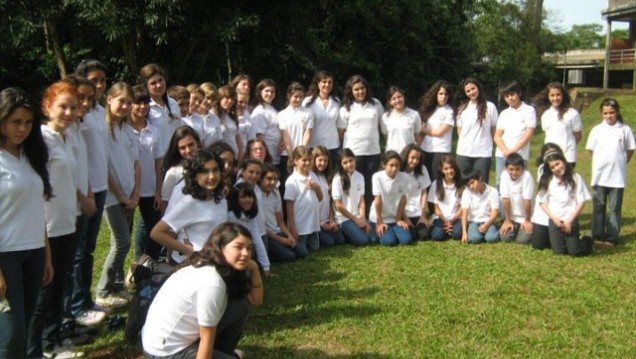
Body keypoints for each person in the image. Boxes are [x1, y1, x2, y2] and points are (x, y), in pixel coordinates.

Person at [143, 223, 263, 359]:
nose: (246, 253)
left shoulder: (211, 265)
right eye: (238, 247)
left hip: (164, 340)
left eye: (249, 248)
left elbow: (255, 300)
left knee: (240, 305)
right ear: (221, 248)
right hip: (164, 352)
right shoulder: (212, 283)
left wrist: (254, 268)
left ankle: (223, 353)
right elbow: (207, 337)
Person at [27, 81, 82, 358]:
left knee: (60, 284)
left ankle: (54, 340)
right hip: (47, 228)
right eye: (62, 106)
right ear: (47, 107)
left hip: (67, 223)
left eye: (73, 107)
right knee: (44, 291)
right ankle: (37, 349)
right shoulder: (40, 139)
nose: (68, 112)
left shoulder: (67, 137)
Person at [0, 87, 54, 359]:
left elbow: (37, 208)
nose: (22, 128)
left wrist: (45, 254)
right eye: (16, 122)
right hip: (6, 256)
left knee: (27, 326)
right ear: (2, 122)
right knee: (11, 336)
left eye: (28, 122)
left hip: (34, 251)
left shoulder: (31, 157)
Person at [71, 59, 111, 323]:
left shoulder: (98, 111)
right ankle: (76, 305)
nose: (99, 85)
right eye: (94, 80)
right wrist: (83, 194)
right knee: (78, 252)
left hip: (100, 186)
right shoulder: (76, 116)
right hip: (82, 191)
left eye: (102, 81)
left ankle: (86, 300)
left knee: (88, 249)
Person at [95, 82, 140, 308]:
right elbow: (103, 169)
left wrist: (135, 195)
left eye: (129, 102)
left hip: (129, 198)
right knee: (122, 242)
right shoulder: (102, 130)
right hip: (112, 198)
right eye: (121, 101)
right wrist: (122, 196)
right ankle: (103, 291)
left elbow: (136, 165)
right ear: (109, 100)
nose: (125, 106)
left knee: (120, 241)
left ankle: (117, 286)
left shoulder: (127, 130)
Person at [151, 149, 227, 265]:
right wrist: (191, 250)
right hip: (197, 265)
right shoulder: (190, 202)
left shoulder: (220, 197)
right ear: (195, 175)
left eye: (215, 170)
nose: (211, 176)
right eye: (205, 171)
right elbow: (157, 233)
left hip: (218, 262)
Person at [586, 98, 635, 246]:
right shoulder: (597, 130)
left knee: (614, 208)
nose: (609, 116)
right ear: (601, 114)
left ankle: (612, 236)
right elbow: (590, 149)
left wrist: (621, 162)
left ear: (617, 112)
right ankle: (597, 235)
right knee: (599, 206)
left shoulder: (624, 130)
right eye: (605, 113)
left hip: (617, 177)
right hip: (600, 176)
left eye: (611, 112)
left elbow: (630, 149)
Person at [337, 75, 384, 212]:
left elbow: (383, 126)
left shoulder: (376, 104)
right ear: (351, 91)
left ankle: (369, 215)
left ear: (366, 88)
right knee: (354, 185)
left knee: (370, 185)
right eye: (356, 89)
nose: (360, 92)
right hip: (353, 153)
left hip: (373, 151)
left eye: (362, 88)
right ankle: (353, 213)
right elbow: (340, 132)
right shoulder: (346, 108)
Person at [128, 85, 163, 259]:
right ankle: (134, 264)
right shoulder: (123, 130)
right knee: (122, 237)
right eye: (137, 103)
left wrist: (158, 190)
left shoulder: (154, 130)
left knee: (154, 230)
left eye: (145, 103)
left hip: (149, 187)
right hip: (128, 189)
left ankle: (147, 264)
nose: (142, 106)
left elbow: (158, 162)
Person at [537, 151, 593, 256]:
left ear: (563, 161)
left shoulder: (575, 178)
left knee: (575, 252)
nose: (556, 168)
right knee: (559, 252)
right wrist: (554, 218)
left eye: (557, 164)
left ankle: (587, 239)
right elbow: (542, 202)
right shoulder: (549, 181)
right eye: (552, 167)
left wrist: (570, 220)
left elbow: (581, 202)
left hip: (570, 219)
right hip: (555, 220)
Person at [454, 78, 498, 184]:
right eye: (468, 91)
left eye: (473, 88)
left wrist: (488, 143)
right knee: (462, 184)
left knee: (481, 184)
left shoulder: (490, 107)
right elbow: (459, 129)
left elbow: (494, 128)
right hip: (464, 152)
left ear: (478, 87)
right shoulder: (462, 109)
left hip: (483, 153)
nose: (471, 92)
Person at [259, 163, 306, 261]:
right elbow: (260, 228)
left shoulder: (275, 194)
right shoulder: (256, 196)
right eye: (269, 178)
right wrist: (280, 240)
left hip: (278, 232)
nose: (273, 182)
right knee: (290, 256)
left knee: (303, 252)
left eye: (275, 179)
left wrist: (289, 236)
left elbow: (280, 222)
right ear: (260, 179)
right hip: (267, 235)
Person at [493, 81, 536, 188]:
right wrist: (505, 151)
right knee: (501, 184)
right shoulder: (504, 113)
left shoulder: (529, 110)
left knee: (520, 185)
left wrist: (513, 150)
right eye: (507, 96)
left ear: (519, 94)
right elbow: (497, 136)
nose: (510, 98)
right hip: (502, 155)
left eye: (512, 95)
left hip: (520, 155)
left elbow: (529, 133)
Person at [331, 148, 375, 246]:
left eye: (351, 160)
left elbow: (361, 201)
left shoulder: (360, 176)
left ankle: (353, 232)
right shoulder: (337, 179)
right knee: (364, 241)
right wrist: (356, 220)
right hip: (344, 219)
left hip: (357, 216)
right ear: (341, 164)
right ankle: (344, 233)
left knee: (373, 239)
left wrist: (362, 218)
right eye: (345, 162)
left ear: (355, 159)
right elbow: (338, 205)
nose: (349, 164)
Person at [139, 63, 185, 156]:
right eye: (153, 83)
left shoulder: (173, 103)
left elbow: (180, 130)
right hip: (156, 159)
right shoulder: (145, 108)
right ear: (146, 86)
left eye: (160, 80)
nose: (159, 85)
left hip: (175, 157)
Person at [533, 82, 582, 167]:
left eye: (558, 95)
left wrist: (569, 145)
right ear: (548, 97)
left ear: (563, 95)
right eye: (552, 95)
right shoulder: (545, 115)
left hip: (567, 157)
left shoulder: (572, 113)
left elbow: (578, 136)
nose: (555, 98)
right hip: (550, 156)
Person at [285, 146, 323, 253]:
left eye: (309, 160)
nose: (307, 163)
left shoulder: (313, 176)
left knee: (315, 249)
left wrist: (317, 187)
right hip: (300, 226)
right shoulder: (292, 181)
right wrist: (292, 226)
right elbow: (289, 205)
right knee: (302, 252)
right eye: (304, 160)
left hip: (313, 224)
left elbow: (320, 198)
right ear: (295, 161)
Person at [369, 151, 411, 246]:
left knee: (406, 240)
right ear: (384, 165)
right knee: (389, 242)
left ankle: (392, 229)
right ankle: (374, 228)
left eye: (397, 165)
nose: (394, 168)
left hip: (394, 217)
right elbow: (378, 200)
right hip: (380, 217)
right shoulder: (377, 177)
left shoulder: (405, 177)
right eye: (391, 165)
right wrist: (379, 222)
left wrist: (398, 219)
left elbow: (403, 199)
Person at [227, 183, 271, 275]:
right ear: (236, 199)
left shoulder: (250, 215)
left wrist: (266, 267)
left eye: (250, 197)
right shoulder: (231, 216)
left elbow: (257, 240)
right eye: (243, 197)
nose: (248, 200)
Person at [530, 143, 563, 251]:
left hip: (560, 216)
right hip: (543, 215)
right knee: (538, 245)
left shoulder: (567, 172)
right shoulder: (542, 170)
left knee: (559, 248)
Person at [160, 126, 202, 212]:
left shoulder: (207, 166)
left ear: (198, 143)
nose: (188, 150)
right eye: (182, 148)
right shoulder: (174, 173)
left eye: (191, 145)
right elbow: (165, 203)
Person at [303, 71, 341, 165]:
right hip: (314, 146)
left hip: (333, 146)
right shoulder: (308, 101)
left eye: (330, 82)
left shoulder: (336, 101)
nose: (327, 85)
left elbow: (339, 124)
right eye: (324, 81)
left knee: (330, 176)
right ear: (318, 83)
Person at [279, 82, 314, 182]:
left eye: (301, 96)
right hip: (287, 155)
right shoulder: (282, 114)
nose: (298, 99)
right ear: (289, 96)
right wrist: (291, 157)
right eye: (295, 96)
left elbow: (308, 133)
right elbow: (285, 135)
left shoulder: (309, 113)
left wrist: (301, 154)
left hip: (303, 155)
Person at [419, 80, 454, 180]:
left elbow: (439, 132)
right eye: (441, 93)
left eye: (446, 94)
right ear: (436, 94)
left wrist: (423, 129)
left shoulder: (449, 111)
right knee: (425, 180)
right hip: (425, 149)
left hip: (441, 151)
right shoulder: (429, 109)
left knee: (437, 181)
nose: (443, 97)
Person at [312, 146, 345, 247]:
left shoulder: (327, 176)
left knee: (340, 240)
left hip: (327, 219)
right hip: (316, 221)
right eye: (320, 160)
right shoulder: (311, 176)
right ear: (314, 160)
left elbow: (330, 201)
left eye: (325, 161)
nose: (323, 163)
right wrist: (320, 222)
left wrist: (331, 220)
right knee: (329, 242)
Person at [498, 153, 534, 244]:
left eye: (518, 169)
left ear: (523, 168)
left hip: (527, 216)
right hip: (512, 217)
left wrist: (527, 221)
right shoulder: (504, 175)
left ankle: (529, 227)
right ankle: (515, 227)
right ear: (506, 169)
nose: (514, 172)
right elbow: (505, 199)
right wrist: (507, 220)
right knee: (505, 238)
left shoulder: (527, 176)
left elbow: (527, 200)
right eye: (511, 169)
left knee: (523, 240)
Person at [400, 144, 432, 241]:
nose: (415, 161)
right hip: (403, 213)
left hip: (418, 212)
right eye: (412, 157)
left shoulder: (423, 169)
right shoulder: (398, 172)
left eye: (417, 158)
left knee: (424, 235)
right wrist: (406, 219)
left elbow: (424, 193)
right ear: (406, 156)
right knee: (411, 237)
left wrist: (423, 215)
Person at [428, 156, 463, 241]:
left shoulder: (461, 185)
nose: (449, 171)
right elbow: (436, 209)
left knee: (457, 235)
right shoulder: (435, 184)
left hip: (455, 217)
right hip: (440, 217)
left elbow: (462, 207)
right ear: (442, 170)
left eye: (451, 168)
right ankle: (441, 230)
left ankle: (448, 230)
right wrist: (446, 221)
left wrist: (452, 220)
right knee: (437, 236)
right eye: (446, 169)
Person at [460, 169, 500, 244]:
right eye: (468, 185)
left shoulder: (493, 191)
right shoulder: (467, 192)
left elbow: (494, 212)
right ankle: (478, 234)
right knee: (474, 239)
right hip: (474, 221)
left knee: (491, 238)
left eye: (472, 183)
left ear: (480, 178)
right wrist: (464, 233)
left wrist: (487, 224)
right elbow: (465, 213)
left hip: (489, 221)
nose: (471, 187)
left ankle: (492, 231)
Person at [251, 79, 281, 168]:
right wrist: (264, 157)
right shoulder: (260, 111)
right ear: (260, 92)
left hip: (276, 156)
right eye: (267, 91)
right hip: (268, 159)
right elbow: (259, 137)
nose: (270, 94)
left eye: (272, 91)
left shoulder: (272, 109)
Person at [381, 86, 421, 154]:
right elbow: (386, 136)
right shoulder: (385, 117)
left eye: (399, 97)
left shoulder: (414, 114)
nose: (397, 100)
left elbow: (417, 135)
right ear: (390, 102)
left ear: (403, 97)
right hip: (392, 154)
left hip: (409, 155)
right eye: (394, 99)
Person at [213, 85, 243, 162]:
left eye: (232, 99)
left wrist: (240, 158)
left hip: (234, 158)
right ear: (219, 98)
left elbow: (238, 140)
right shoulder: (212, 116)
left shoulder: (232, 117)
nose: (230, 101)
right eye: (227, 98)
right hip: (220, 158)